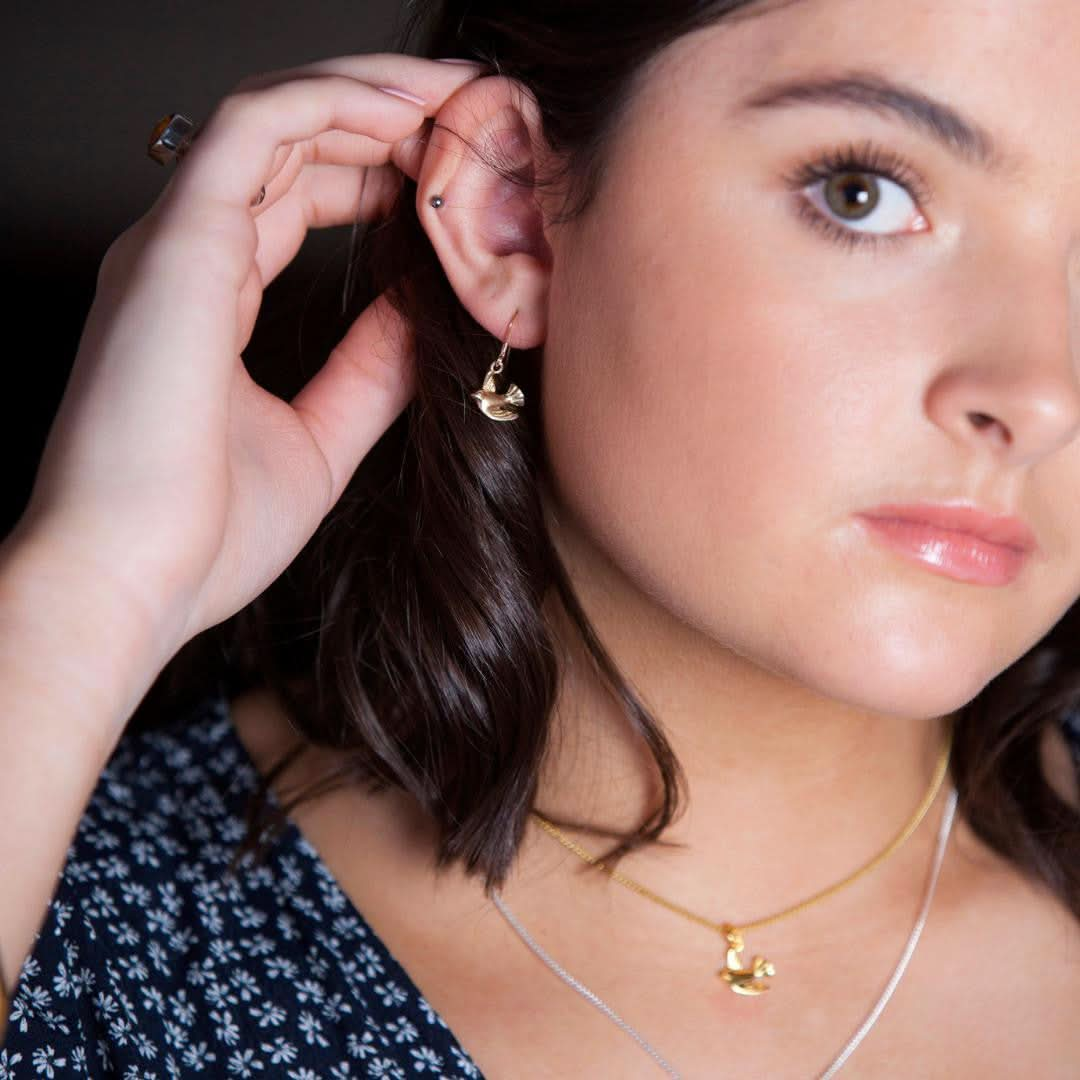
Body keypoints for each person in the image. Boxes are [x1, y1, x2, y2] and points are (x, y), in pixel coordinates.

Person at [1, 0, 1078, 1074]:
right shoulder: (80, 929)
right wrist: (85, 596)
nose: (1037, 396)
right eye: (864, 194)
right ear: (510, 212)